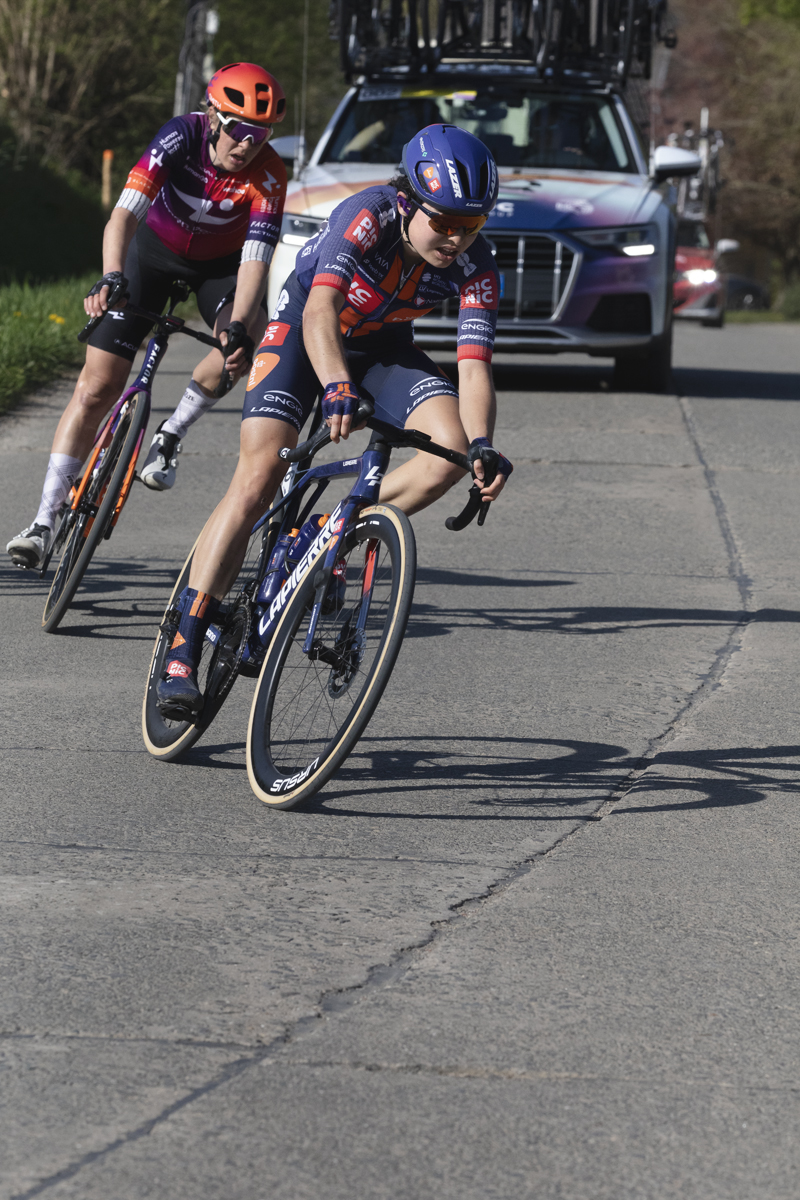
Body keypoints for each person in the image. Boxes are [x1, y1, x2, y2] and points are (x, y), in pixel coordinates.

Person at [156, 123, 513, 719]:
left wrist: (481, 445)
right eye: (444, 222)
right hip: (303, 334)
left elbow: (474, 367)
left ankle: (331, 526)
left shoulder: (477, 265)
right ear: (408, 202)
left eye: (470, 225)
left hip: (382, 345)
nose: (455, 239)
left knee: (447, 451)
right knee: (259, 474)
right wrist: (336, 383)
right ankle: (183, 643)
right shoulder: (364, 216)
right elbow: (320, 308)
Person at [7, 62, 288, 571]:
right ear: (214, 117)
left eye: (263, 134)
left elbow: (254, 263)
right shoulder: (179, 136)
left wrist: (240, 327)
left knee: (240, 346)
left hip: (219, 272)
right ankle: (44, 521)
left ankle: (171, 434)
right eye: (241, 130)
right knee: (96, 387)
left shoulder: (269, 174)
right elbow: (125, 214)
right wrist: (112, 275)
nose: (249, 145)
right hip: (150, 257)